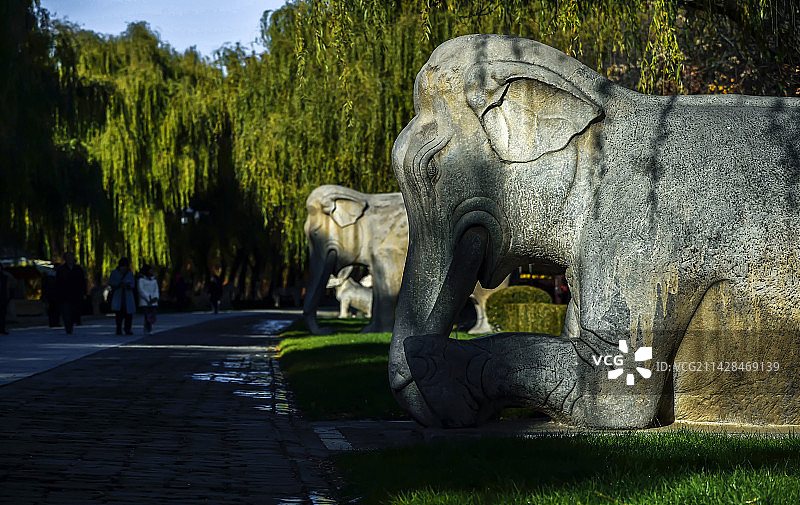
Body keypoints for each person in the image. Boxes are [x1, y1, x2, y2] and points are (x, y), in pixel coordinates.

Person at [55, 252, 87, 334]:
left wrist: (83, 292)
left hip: (76, 294)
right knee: (66, 312)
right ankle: (68, 328)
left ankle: (72, 322)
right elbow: (58, 282)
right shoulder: (61, 269)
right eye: (68, 257)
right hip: (64, 294)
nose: (69, 259)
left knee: (74, 311)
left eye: (71, 257)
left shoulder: (78, 269)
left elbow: (83, 281)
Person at [109, 257, 136, 335]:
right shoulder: (114, 273)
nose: (124, 268)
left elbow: (133, 285)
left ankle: (128, 329)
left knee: (128, 315)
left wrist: (128, 285)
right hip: (118, 295)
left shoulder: (130, 273)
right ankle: (118, 329)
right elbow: (111, 283)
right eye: (122, 266)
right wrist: (119, 283)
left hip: (128, 296)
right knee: (119, 315)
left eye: (125, 266)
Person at [137, 264, 159, 334]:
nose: (151, 271)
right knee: (147, 315)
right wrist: (148, 298)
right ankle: (147, 329)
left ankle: (150, 328)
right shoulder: (141, 280)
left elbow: (156, 290)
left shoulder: (154, 280)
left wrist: (155, 297)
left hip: (153, 301)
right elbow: (141, 290)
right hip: (145, 302)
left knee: (153, 315)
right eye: (150, 270)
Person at [0, 263, 17, 335]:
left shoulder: (7, 276)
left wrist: (11, 295)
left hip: (4, 297)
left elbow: (13, 285)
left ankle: (2, 329)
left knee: (3, 314)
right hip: (4, 296)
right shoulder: (7, 275)